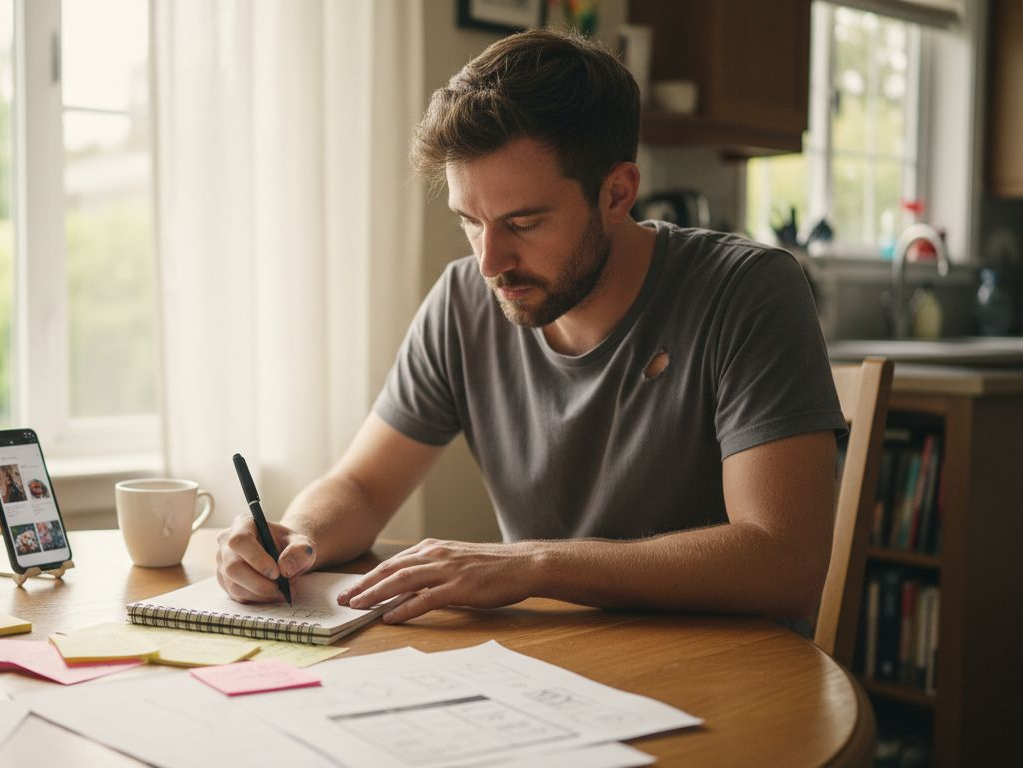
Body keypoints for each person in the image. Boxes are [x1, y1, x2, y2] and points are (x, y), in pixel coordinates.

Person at [216, 30, 845, 626]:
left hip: (729, 675)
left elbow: (785, 562)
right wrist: (296, 540)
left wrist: (534, 564)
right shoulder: (462, 302)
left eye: (523, 224)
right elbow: (361, 485)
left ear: (617, 194)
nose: (489, 262)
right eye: (470, 221)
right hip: (542, 662)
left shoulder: (747, 291)